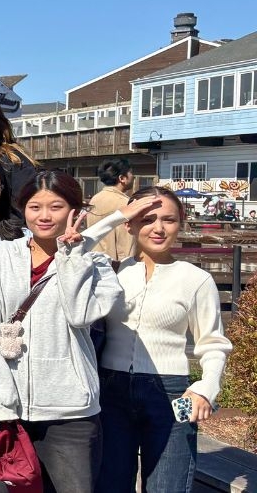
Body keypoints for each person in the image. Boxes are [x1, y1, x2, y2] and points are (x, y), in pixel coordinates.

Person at [0, 171, 118, 492]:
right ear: (23, 210)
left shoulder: (97, 264)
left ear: (75, 211)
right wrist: (1, 403)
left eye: (57, 207)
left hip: (70, 411)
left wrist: (72, 257)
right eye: (35, 207)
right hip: (3, 409)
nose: (45, 216)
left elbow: (80, 315)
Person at [97, 186, 231, 493]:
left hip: (174, 395)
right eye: (147, 218)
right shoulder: (110, 272)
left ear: (180, 223)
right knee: (109, 484)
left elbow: (213, 343)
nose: (158, 228)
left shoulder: (195, 279)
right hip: (111, 392)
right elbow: (72, 248)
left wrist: (206, 389)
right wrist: (117, 216)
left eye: (168, 219)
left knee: (169, 483)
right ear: (130, 224)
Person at [89, 158, 136, 263]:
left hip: (93, 261)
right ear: (122, 178)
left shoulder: (94, 200)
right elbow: (126, 242)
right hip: (115, 266)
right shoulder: (125, 204)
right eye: (131, 173)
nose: (133, 177)